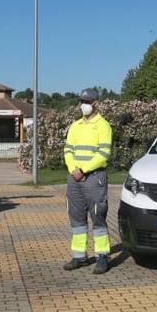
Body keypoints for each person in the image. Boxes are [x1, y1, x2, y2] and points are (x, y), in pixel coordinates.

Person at [63, 88, 113, 274]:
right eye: (82, 101)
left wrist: (83, 170)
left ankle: (102, 257)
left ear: (96, 104)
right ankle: (79, 257)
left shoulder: (103, 126)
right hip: (74, 178)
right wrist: (73, 170)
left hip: (94, 178)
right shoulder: (75, 126)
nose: (84, 104)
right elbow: (68, 150)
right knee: (76, 218)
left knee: (98, 217)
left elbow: (103, 154)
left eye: (88, 101)